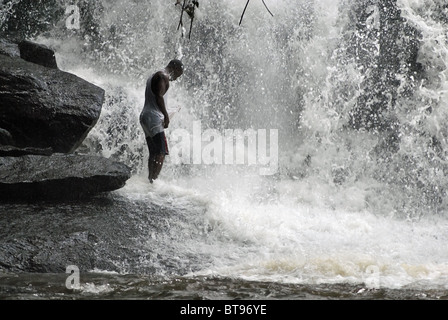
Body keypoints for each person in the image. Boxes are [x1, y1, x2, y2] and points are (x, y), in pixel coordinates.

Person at [139, 59, 184, 183]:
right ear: (175, 68)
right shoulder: (163, 76)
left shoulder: (153, 75)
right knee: (161, 152)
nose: (177, 78)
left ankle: (150, 179)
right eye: (179, 74)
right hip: (154, 119)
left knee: (153, 151)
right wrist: (166, 116)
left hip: (145, 117)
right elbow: (159, 97)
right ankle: (154, 180)